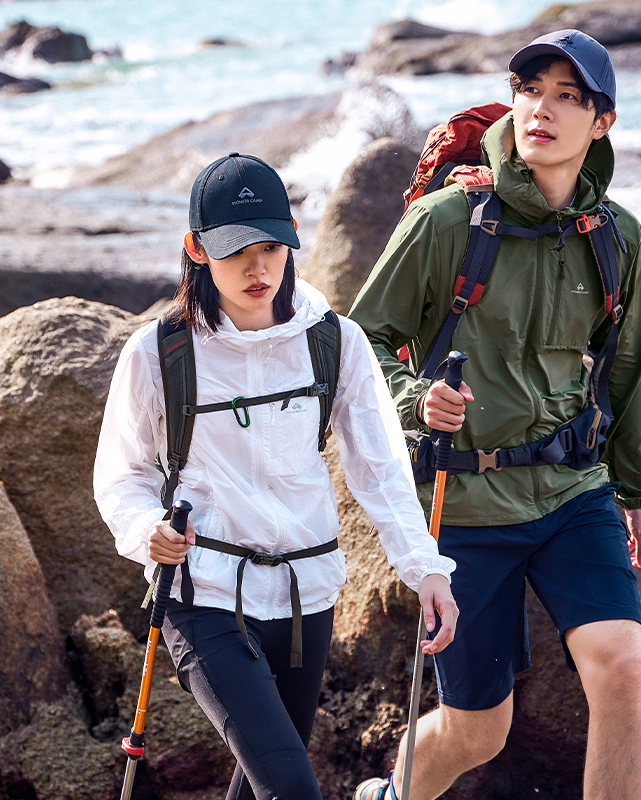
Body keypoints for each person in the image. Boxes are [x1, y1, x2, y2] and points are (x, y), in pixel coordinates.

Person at [349, 29, 641, 800]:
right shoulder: (451, 220)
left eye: (568, 96)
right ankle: (390, 794)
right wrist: (413, 400)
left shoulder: (615, 236)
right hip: (465, 503)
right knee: (477, 731)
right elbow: (362, 343)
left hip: (570, 493)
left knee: (621, 666)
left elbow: (627, 366)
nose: (542, 109)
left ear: (603, 123)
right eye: (531, 90)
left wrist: (637, 490)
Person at [94, 152, 458, 800]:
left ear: (293, 234)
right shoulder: (159, 353)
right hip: (202, 594)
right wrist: (145, 528)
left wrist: (424, 567)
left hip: (304, 596)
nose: (258, 268)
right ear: (196, 249)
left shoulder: (334, 342)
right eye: (236, 251)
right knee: (292, 787)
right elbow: (120, 476)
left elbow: (379, 467)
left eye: (271, 245)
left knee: (263, 787)